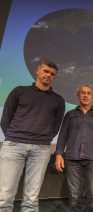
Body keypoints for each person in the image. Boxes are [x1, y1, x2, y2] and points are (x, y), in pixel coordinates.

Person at [0, 60, 65, 212]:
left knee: (31, 198)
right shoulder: (19, 91)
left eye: (52, 74)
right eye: (46, 71)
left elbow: (56, 126)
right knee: (4, 195)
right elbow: (6, 119)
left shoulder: (58, 100)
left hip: (41, 149)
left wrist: (44, 140)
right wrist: (12, 136)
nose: (48, 75)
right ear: (37, 71)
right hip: (13, 146)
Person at [55, 85, 93, 212]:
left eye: (88, 93)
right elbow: (62, 135)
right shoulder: (70, 114)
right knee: (74, 195)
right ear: (78, 95)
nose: (85, 95)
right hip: (72, 159)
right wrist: (59, 154)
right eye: (82, 93)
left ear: (92, 97)